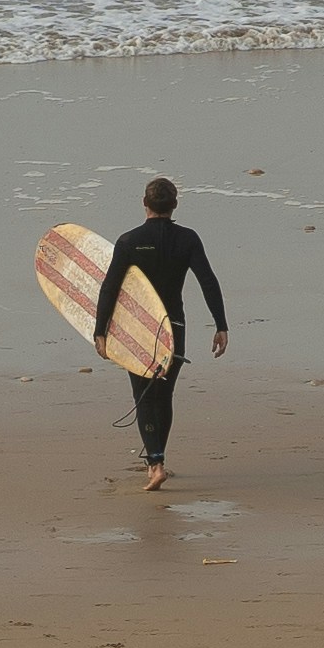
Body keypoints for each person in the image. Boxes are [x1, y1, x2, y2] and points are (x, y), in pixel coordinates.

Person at [91, 175, 228, 491]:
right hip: (173, 328)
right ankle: (158, 458)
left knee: (144, 397)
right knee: (163, 394)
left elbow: (110, 288)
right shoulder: (188, 239)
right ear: (175, 205)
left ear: (144, 203)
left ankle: (155, 464)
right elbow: (208, 280)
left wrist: (100, 330)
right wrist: (220, 324)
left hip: (137, 329)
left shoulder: (128, 241)